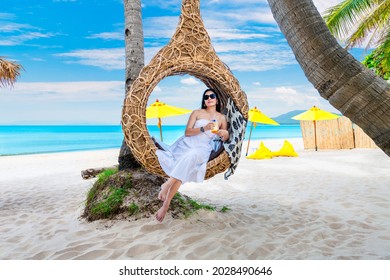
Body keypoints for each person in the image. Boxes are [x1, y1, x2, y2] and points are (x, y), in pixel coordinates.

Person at [155, 88, 229, 222]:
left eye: (212, 96)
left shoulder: (221, 118)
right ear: (204, 101)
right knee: (183, 167)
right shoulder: (197, 113)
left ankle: (166, 186)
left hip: (203, 147)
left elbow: (225, 136)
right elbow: (187, 132)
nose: (209, 99)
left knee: (192, 156)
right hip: (187, 143)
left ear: (217, 100)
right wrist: (203, 128)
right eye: (206, 97)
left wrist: (221, 133)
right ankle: (165, 205)